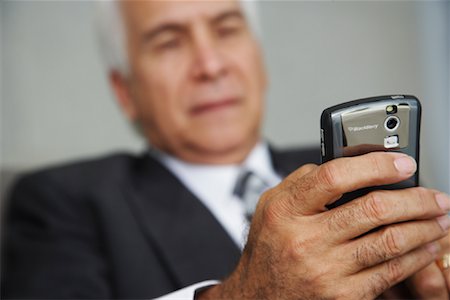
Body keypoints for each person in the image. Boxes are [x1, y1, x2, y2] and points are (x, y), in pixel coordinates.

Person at [2, 0, 450, 299]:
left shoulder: (369, 170)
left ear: (258, 60)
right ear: (125, 90)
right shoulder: (61, 201)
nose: (211, 65)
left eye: (227, 30)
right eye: (169, 42)